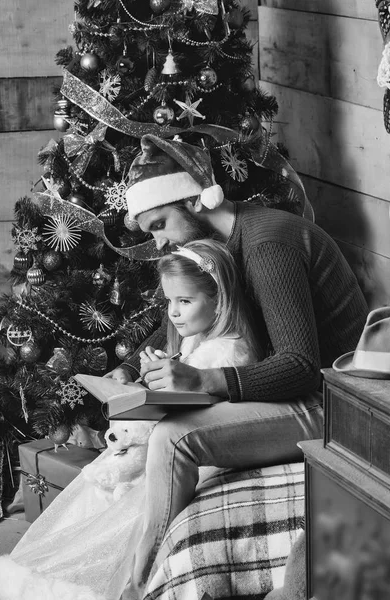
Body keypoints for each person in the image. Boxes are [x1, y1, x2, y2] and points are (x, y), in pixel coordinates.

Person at [102, 133, 369, 600]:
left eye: (160, 224)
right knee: (160, 419)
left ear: (193, 200)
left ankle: (139, 579)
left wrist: (205, 379)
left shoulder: (268, 243)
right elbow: (212, 305)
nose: (159, 241)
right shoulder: (225, 245)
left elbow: (302, 366)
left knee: (174, 435)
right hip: (304, 395)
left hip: (338, 407)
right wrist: (129, 370)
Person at [0, 239, 261, 600]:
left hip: (186, 450)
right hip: (166, 436)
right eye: (170, 301)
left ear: (220, 300)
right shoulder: (197, 339)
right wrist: (149, 375)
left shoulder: (224, 350)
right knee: (91, 502)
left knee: (113, 507)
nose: (173, 313)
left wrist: (151, 390)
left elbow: (192, 409)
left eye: (185, 301)